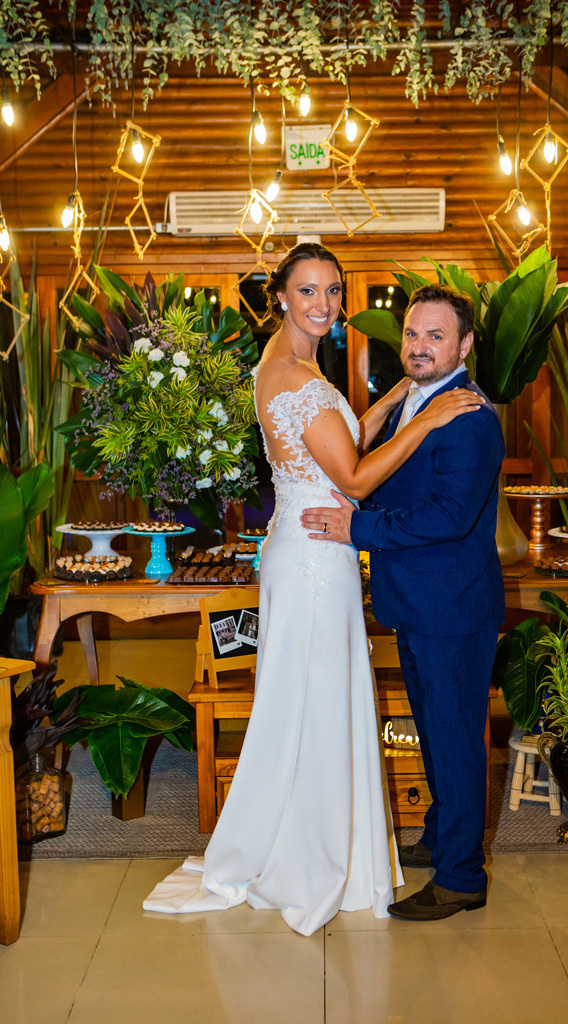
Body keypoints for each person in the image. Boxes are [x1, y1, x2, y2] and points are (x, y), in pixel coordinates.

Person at [143, 245, 484, 936]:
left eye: (332, 290)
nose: (323, 304)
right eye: (307, 290)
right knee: (316, 699)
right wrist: (422, 418)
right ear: (280, 296)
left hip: (308, 547)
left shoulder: (291, 364)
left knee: (310, 697)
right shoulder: (292, 374)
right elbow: (352, 477)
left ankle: (341, 841)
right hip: (315, 556)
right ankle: (317, 852)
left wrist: (399, 397)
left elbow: (339, 438)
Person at [301, 283, 505, 921]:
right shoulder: (416, 401)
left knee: (455, 740)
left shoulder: (469, 417)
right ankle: (444, 839)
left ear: (463, 346)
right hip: (417, 602)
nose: (419, 346)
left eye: (435, 336)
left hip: (452, 608)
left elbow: (448, 515)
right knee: (437, 734)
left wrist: (356, 528)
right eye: (413, 333)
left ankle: (461, 878)